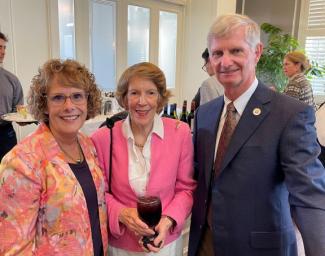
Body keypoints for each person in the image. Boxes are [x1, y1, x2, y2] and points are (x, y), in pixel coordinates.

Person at [188, 13, 325, 256]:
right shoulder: (205, 115)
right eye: (217, 53)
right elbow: (198, 179)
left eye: (236, 51)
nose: (225, 61)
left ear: (257, 52)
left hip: (260, 249)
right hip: (206, 244)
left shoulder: (290, 114)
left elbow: (309, 196)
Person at [0, 59, 108, 255]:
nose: (69, 106)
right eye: (58, 98)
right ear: (44, 104)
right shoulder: (21, 162)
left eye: (77, 96)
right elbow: (14, 247)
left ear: (88, 101)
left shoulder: (87, 144)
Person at [91, 62, 196, 255]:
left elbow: (186, 189)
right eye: (134, 93)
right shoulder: (103, 138)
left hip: (165, 244)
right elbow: (99, 193)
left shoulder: (180, 133)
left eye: (150, 92)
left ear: (160, 98)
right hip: (121, 244)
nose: (142, 101)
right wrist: (122, 214)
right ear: (124, 98)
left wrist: (168, 220)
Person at [0, 31, 24, 161]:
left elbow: (19, 109)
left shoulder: (12, 80)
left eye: (4, 47)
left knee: (9, 174)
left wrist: (23, 118)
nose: (3, 52)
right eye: (0, 47)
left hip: (5, 134)